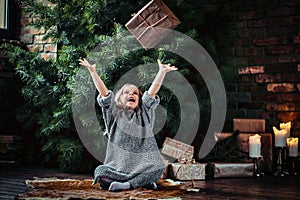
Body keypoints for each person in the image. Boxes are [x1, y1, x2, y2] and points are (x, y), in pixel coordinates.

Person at [79, 58, 177, 191]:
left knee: (158, 166)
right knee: (100, 172)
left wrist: (162, 72)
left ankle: (128, 185)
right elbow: (104, 93)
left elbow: (152, 92)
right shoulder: (114, 113)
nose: (131, 94)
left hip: (142, 165)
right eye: (127, 92)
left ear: (139, 99)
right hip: (118, 167)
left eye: (135, 93)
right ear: (119, 98)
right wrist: (93, 72)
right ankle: (142, 183)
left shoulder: (144, 113)